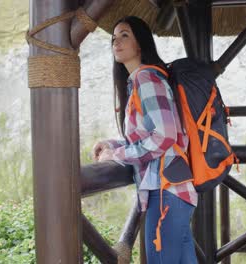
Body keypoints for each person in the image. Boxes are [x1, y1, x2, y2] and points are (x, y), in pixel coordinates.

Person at [92, 16, 198, 263]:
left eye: (125, 35)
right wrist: (113, 145)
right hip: (175, 191)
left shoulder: (146, 79)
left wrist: (116, 156)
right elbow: (151, 133)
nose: (116, 42)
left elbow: (165, 135)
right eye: (113, 38)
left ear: (141, 44)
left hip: (166, 193)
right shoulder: (144, 81)